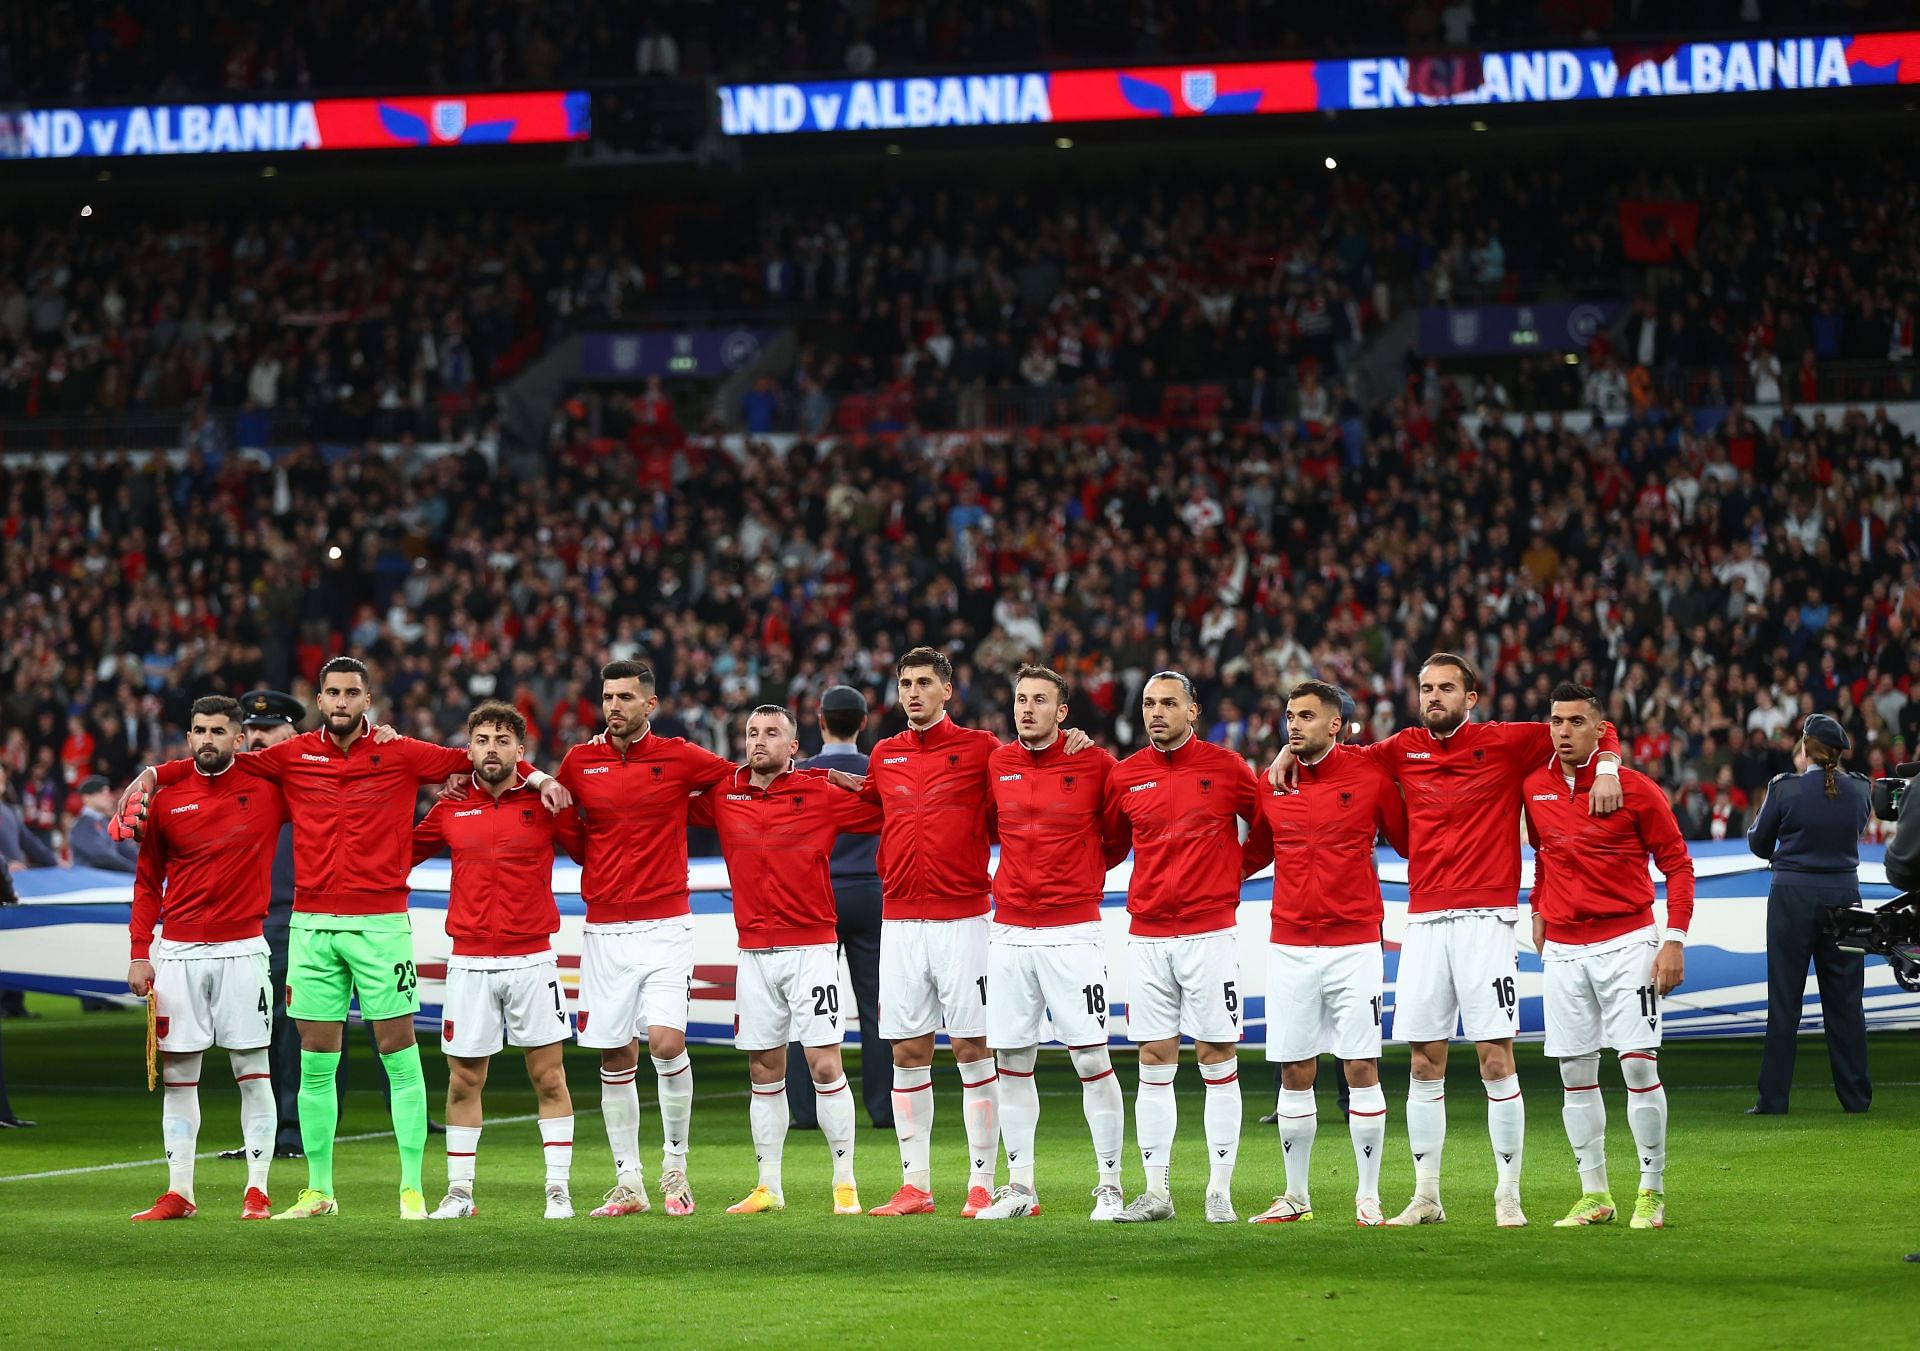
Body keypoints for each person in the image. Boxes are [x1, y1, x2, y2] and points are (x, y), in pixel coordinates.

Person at [118, 655, 568, 1221]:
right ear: (320, 699)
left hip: (381, 925)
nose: (340, 702)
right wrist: (154, 775)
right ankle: (320, 1190)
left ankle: (411, 1189)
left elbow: (486, 759)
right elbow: (219, 762)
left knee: (398, 1053)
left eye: (351, 693)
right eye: (331, 693)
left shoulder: (402, 752)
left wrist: (544, 776)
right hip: (311, 925)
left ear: (367, 699)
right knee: (315, 1060)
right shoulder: (292, 755)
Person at [1268, 652, 1623, 1228]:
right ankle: (1427, 1196)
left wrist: (1606, 763)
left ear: (1471, 697)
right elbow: (1335, 755)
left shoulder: (1507, 742)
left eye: (1447, 688)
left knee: (1493, 1057)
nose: (1434, 697)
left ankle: (1508, 1194)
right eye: (1427, 688)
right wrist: (1288, 748)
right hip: (1426, 920)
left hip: (1487, 919)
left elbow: (1588, 726)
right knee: (1424, 1060)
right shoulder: (1401, 748)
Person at [555, 659, 736, 1219]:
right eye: (607, 696)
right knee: (615, 1052)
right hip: (606, 926)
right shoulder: (580, 761)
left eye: (625, 697)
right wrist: (599, 863)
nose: (614, 706)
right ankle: (628, 1182)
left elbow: (732, 778)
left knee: (664, 1041)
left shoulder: (679, 756)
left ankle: (675, 1168)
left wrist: (689, 814)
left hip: (666, 924)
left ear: (649, 705)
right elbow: (562, 817)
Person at [687, 706, 882, 1216]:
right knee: (764, 1069)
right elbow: (662, 799)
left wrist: (864, 782)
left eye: (772, 733)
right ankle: (768, 1186)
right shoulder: (725, 795)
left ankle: (845, 1182)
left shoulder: (820, 790)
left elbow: (884, 808)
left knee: (823, 1063)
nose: (759, 741)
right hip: (753, 951)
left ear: (794, 746)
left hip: (812, 949)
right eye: (752, 732)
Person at [1522, 682, 1694, 1232]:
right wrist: (1538, 907)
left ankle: (1651, 1190)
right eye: (1556, 721)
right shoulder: (1534, 787)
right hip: (1566, 950)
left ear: (1600, 729)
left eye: (1576, 722)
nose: (1564, 731)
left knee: (1639, 1065)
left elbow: (1678, 866)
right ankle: (1594, 1194)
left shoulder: (1635, 789)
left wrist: (1675, 939)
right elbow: (1546, 855)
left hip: (1628, 944)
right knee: (1575, 1073)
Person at [1102, 671, 1271, 1224]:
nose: (1157, 712)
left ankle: (1218, 1190)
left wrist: (1233, 872)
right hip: (1148, 935)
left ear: (1193, 711)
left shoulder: (1227, 769)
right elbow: (1108, 844)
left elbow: (1266, 829)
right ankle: (1157, 1192)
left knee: (1217, 1057)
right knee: (1153, 1059)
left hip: (1209, 934)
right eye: (1149, 703)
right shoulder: (1126, 777)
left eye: (1169, 703)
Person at [411, 703, 581, 1221]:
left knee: (549, 1079)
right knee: (464, 1080)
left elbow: (589, 848)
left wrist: (542, 782)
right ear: (470, 748)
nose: (491, 748)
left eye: (502, 741)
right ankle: (460, 1194)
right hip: (469, 962)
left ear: (519, 751)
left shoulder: (547, 806)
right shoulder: (450, 808)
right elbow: (397, 853)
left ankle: (558, 1190)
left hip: (532, 959)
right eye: (482, 739)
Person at [853, 647, 1006, 1218]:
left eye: (922, 683)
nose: (912, 694)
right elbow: (867, 809)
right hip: (900, 920)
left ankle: (982, 1182)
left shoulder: (980, 749)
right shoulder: (886, 755)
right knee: (908, 1050)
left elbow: (1017, 794)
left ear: (947, 690)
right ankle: (915, 1184)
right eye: (904, 684)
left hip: (964, 918)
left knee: (972, 1047)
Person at [1249, 680, 1408, 1227]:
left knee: (1360, 1064)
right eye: (1290, 716)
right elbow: (1253, 854)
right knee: (1295, 1069)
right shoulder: (1270, 783)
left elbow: (1411, 841)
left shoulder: (1369, 774)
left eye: (1307, 716)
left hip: (1355, 943)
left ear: (1335, 724)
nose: (1293, 725)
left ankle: (1368, 1196)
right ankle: (1296, 1196)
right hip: (1290, 944)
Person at [975, 665, 1130, 1222]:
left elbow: (1116, 838)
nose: (1027, 708)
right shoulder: (999, 762)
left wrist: (1076, 876)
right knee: (1012, 1059)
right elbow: (994, 825)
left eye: (1040, 700)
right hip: (1010, 931)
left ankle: (1109, 1186)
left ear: (1062, 712)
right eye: (1020, 699)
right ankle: (1020, 1188)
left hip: (1074, 932)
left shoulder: (1095, 763)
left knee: (1091, 1056)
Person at [125, 696, 287, 1222]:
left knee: (252, 1069)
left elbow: (325, 766)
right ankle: (180, 1192)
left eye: (220, 730)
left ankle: (257, 1190)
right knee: (179, 1073)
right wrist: (138, 954)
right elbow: (148, 883)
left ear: (239, 739)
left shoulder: (268, 790)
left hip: (243, 950)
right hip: (177, 953)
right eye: (200, 730)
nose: (209, 739)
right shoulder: (167, 800)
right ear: (189, 737)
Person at [1746, 713, 1873, 1115]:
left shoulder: (1785, 790)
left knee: (1785, 1002)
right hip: (1845, 897)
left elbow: (1760, 844)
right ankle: (1856, 1099)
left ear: (1805, 748)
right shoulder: (1861, 790)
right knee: (1847, 1003)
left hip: (1792, 898)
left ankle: (1774, 1099)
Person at [785, 684, 892, 1130]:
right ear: (863, 723)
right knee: (875, 1007)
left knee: (807, 1005)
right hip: (870, 892)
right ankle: (884, 1109)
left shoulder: (804, 775)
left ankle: (804, 1112)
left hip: (816, 896)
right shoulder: (877, 773)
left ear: (819, 719)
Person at [72, 775, 140, 872]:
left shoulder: (106, 822)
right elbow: (102, 857)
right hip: (94, 882)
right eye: (101, 793)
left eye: (108, 793)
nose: (108, 797)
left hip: (110, 879)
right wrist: (135, 870)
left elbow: (127, 850)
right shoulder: (81, 826)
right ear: (86, 798)